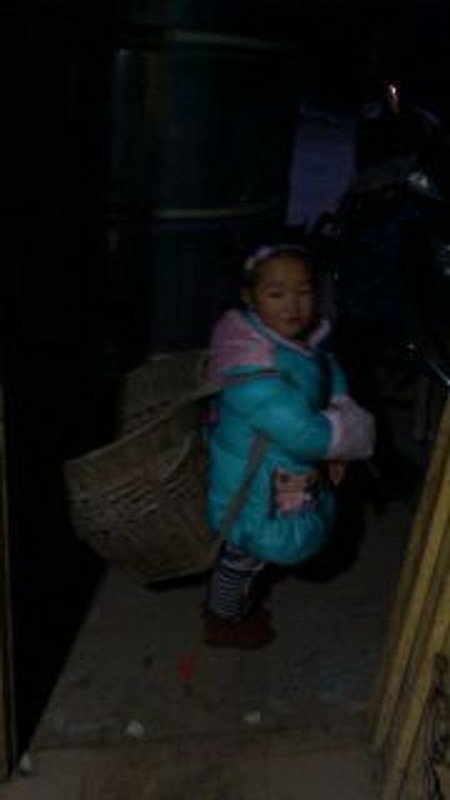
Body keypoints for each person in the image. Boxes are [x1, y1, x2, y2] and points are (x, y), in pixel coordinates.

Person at [202, 244, 375, 649]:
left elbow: (327, 369)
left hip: (274, 473)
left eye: (304, 291)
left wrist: (339, 403)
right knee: (242, 558)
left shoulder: (290, 340)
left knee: (257, 554)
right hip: (251, 487)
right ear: (249, 297)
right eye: (277, 293)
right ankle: (222, 619)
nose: (293, 305)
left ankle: (232, 606)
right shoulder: (251, 370)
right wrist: (349, 436)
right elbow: (307, 434)